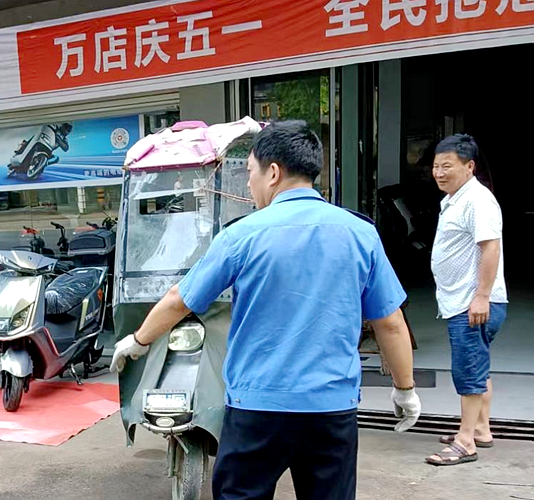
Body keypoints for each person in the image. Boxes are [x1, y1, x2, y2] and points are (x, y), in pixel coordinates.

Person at [111, 121, 421, 500]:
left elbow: (180, 298)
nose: (248, 185)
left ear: (273, 173)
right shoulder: (360, 234)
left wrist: (139, 341)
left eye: (250, 173)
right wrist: (404, 390)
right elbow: (390, 323)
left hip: (256, 410)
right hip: (330, 410)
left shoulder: (241, 235)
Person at [427, 134, 507, 466]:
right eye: (436, 166)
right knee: (478, 366)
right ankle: (480, 430)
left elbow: (491, 247)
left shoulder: (477, 200)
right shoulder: (456, 199)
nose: (439, 172)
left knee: (469, 371)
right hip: (463, 302)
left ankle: (465, 442)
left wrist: (481, 297)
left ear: (469, 166)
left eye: (447, 166)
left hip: (472, 304)